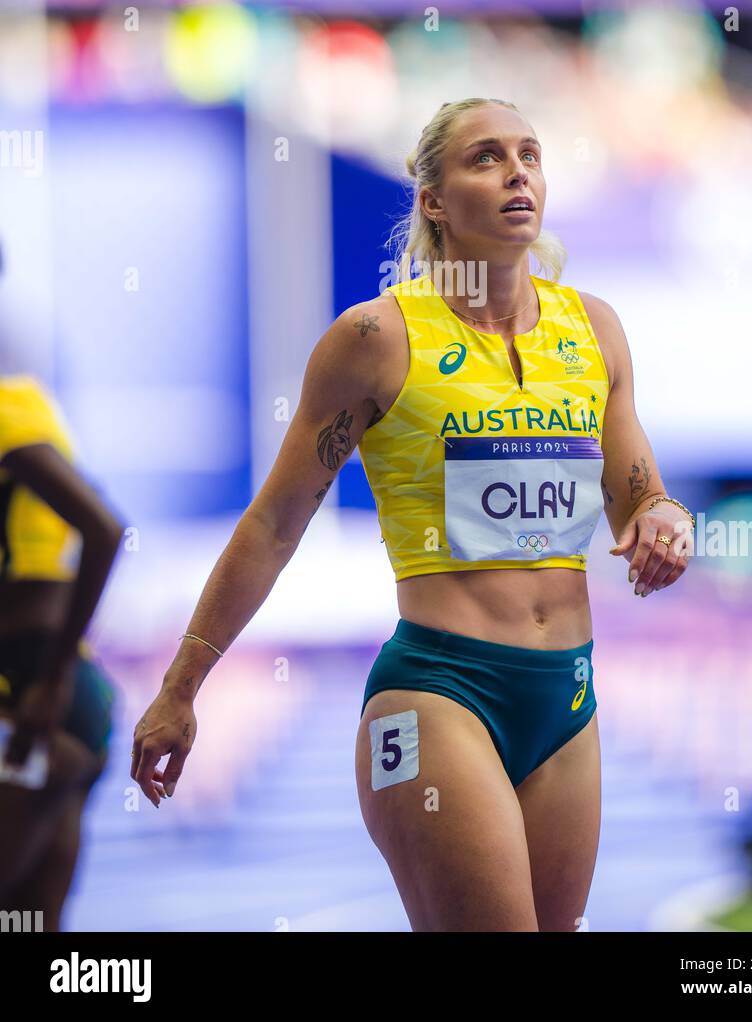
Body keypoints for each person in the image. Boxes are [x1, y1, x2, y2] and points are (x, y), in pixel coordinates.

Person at [130, 96, 694, 932]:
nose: (517, 174)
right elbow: (274, 525)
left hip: (568, 698)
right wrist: (180, 688)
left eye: (530, 155)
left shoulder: (593, 330)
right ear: (433, 198)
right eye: (486, 157)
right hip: (439, 693)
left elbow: (640, 491)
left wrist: (664, 518)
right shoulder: (375, 339)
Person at [0, 363, 125, 930]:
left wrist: (47, 684)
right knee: (31, 923)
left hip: (31, 700)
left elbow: (102, 527)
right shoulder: (30, 402)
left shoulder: (8, 414)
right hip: (65, 698)